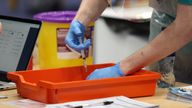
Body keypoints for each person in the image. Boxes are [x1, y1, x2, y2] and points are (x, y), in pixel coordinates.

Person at [65, 0, 192, 83]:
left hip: (185, 22)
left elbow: (187, 25)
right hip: (166, 16)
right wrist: (81, 19)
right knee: (164, 89)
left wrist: (122, 67)